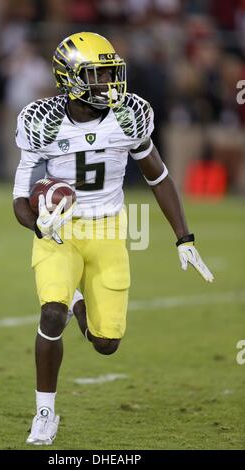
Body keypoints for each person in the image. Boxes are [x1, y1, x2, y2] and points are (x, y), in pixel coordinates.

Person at [12, 32, 214, 446]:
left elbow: (157, 175)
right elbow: (19, 198)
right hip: (60, 232)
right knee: (51, 314)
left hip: (108, 229)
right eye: (97, 74)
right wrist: (39, 225)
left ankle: (78, 300)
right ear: (70, 78)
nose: (108, 82)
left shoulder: (128, 116)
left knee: (106, 343)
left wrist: (184, 238)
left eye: (109, 72)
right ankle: (45, 412)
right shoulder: (43, 121)